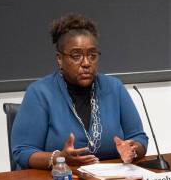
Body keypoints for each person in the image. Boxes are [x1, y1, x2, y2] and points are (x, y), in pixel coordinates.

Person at [10, 14, 149, 170]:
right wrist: (60, 158)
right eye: (76, 56)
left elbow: (139, 138)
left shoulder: (114, 88)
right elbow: (22, 152)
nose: (86, 63)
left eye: (92, 55)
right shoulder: (40, 93)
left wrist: (132, 150)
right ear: (59, 59)